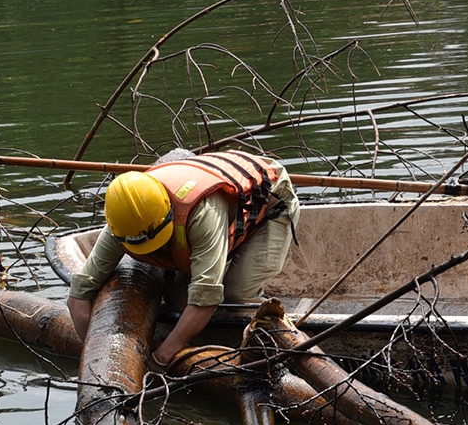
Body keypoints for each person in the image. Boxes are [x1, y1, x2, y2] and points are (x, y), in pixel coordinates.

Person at [66, 150, 300, 369]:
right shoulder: (123, 221)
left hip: (269, 201)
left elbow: (205, 300)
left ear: (168, 216)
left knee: (236, 295)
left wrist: (161, 359)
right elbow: (79, 294)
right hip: (217, 204)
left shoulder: (203, 213)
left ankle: (260, 349)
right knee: (178, 302)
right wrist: (97, 352)